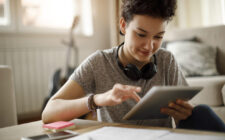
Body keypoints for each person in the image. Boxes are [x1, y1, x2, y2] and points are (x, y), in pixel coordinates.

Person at [42, 0, 225, 132]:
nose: (149, 46)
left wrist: (183, 112)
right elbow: (49, 113)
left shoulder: (166, 60)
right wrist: (97, 99)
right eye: (141, 34)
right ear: (123, 25)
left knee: (202, 112)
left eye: (158, 37)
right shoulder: (97, 63)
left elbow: (184, 116)